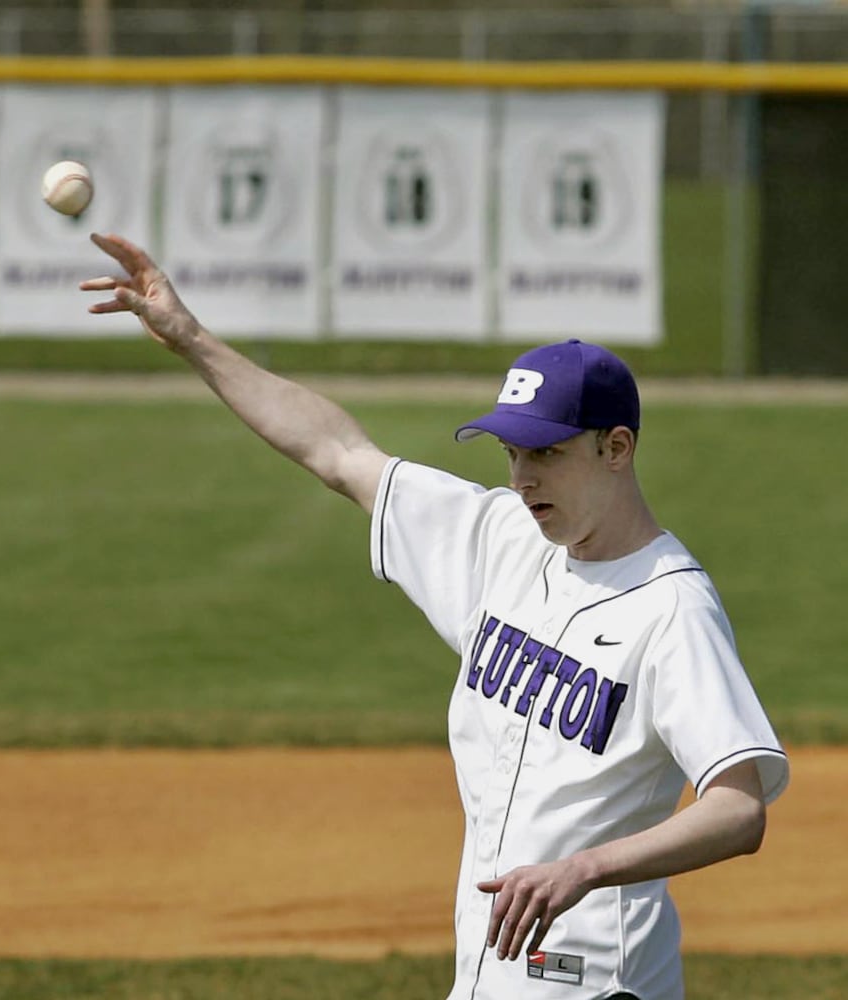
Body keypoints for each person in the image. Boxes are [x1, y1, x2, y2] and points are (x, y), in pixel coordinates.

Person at [79, 232, 789, 1000]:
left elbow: (736, 807)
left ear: (614, 448)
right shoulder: (502, 541)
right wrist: (190, 340)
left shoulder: (670, 607)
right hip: (490, 976)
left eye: (546, 454)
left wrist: (586, 867)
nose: (521, 477)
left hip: (595, 985)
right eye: (511, 452)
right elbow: (338, 452)